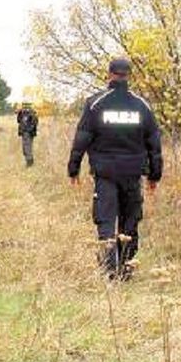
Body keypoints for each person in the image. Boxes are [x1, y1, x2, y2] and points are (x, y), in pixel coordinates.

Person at [67, 57, 162, 279]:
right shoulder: (142, 105)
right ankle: (126, 270)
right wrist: (154, 175)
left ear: (109, 74)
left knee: (106, 219)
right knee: (130, 221)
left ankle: (109, 271)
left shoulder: (95, 103)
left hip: (105, 173)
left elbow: (82, 139)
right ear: (129, 75)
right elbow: (154, 143)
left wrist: (73, 169)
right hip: (132, 173)